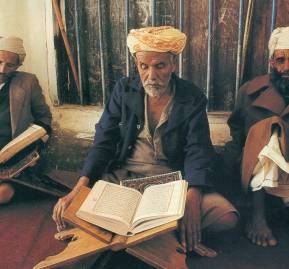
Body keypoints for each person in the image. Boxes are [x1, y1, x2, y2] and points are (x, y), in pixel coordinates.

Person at [53, 26, 238, 255]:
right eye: (144, 66)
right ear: (137, 65)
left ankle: (133, 234)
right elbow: (104, 141)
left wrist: (192, 194)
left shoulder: (192, 97)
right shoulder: (123, 90)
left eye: (159, 66)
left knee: (226, 217)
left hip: (173, 185)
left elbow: (198, 150)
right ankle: (160, 234)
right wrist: (80, 187)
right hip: (121, 180)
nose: (151, 76)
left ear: (173, 65)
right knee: (72, 210)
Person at [223, 27, 289, 247]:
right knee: (266, 129)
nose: (287, 67)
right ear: (272, 63)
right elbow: (237, 132)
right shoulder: (250, 91)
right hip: (259, 167)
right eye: (281, 60)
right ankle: (257, 217)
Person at [0, 36, 52, 204]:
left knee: (4, 192)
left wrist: (36, 143)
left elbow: (44, 117)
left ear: (18, 66)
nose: (2, 70)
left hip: (14, 158)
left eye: (10, 65)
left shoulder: (28, 82)